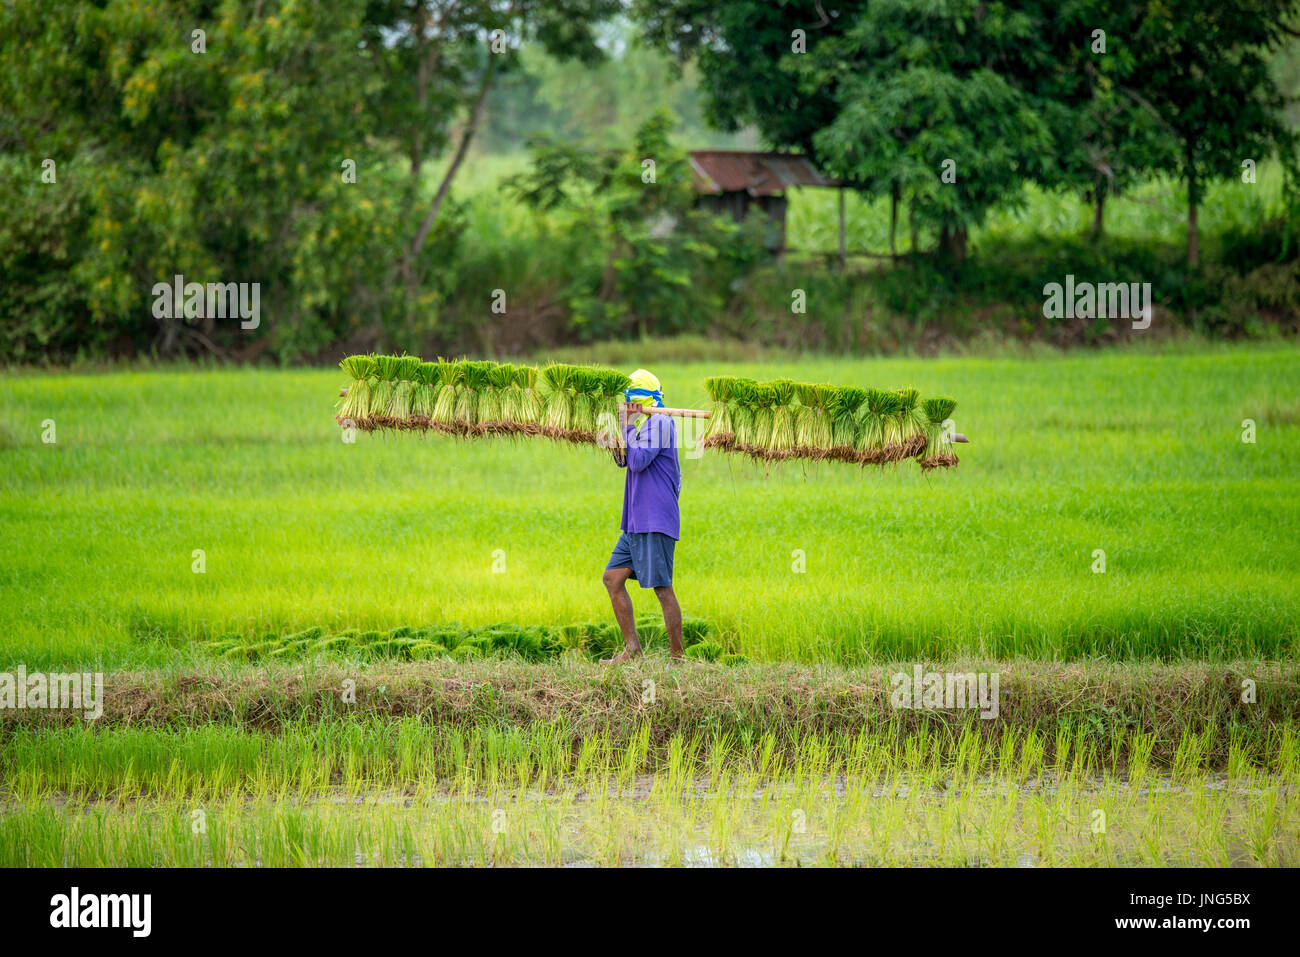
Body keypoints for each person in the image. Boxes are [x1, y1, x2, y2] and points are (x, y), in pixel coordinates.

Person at [601, 368, 684, 663]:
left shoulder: (661, 422)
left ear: (644, 400)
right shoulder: (643, 425)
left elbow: (637, 461)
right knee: (612, 578)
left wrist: (626, 423)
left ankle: (678, 658)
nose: (628, 405)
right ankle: (632, 651)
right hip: (636, 520)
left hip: (655, 518)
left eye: (631, 400)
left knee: (662, 588)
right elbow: (625, 459)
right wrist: (614, 434)